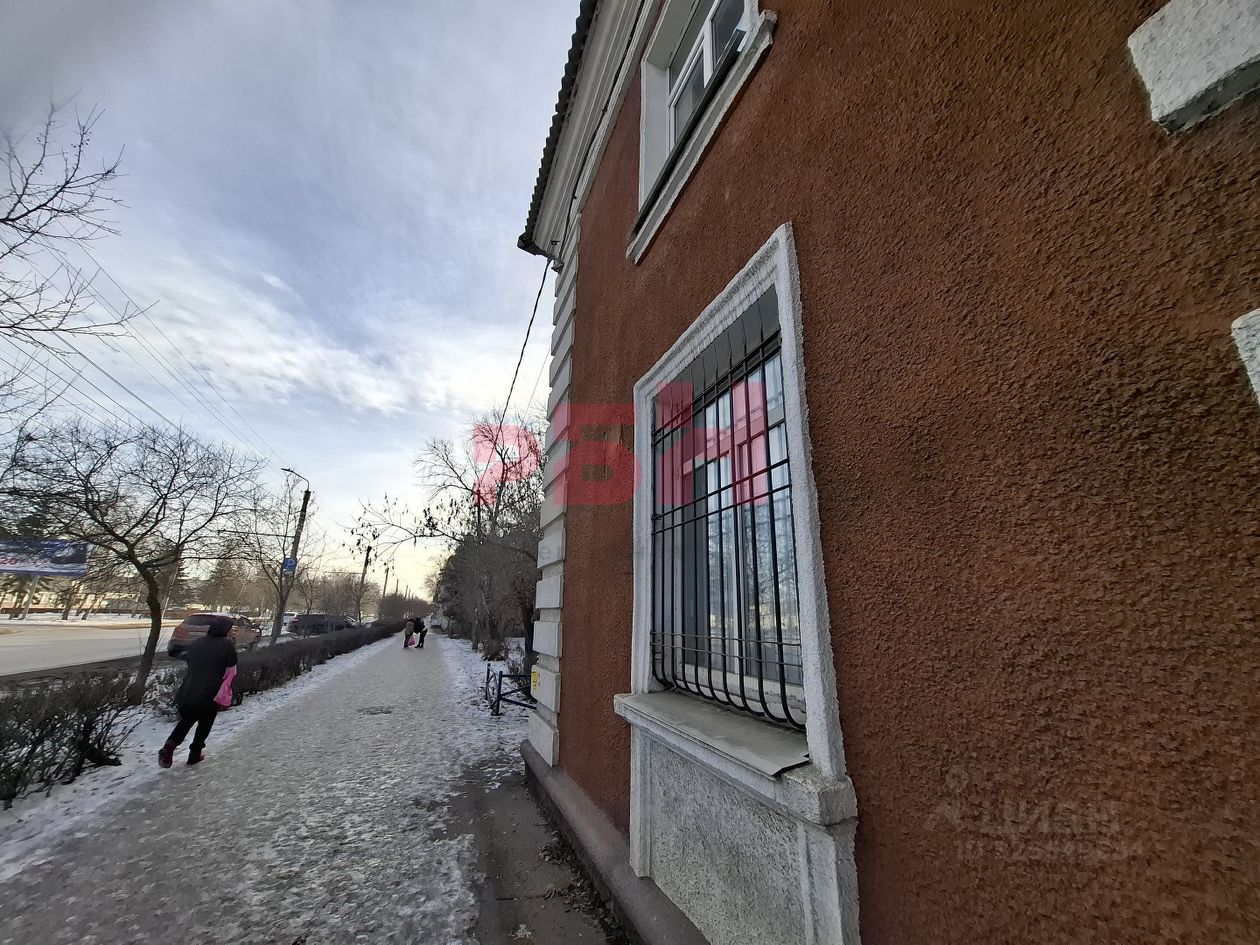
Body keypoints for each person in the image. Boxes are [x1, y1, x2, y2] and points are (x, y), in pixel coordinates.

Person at [158, 615, 238, 767]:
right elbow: (231, 669)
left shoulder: (197, 642)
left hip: (189, 688)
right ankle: (195, 753)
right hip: (210, 690)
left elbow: (189, 660)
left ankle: (169, 746)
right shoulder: (227, 644)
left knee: (186, 720)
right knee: (205, 722)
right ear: (226, 630)